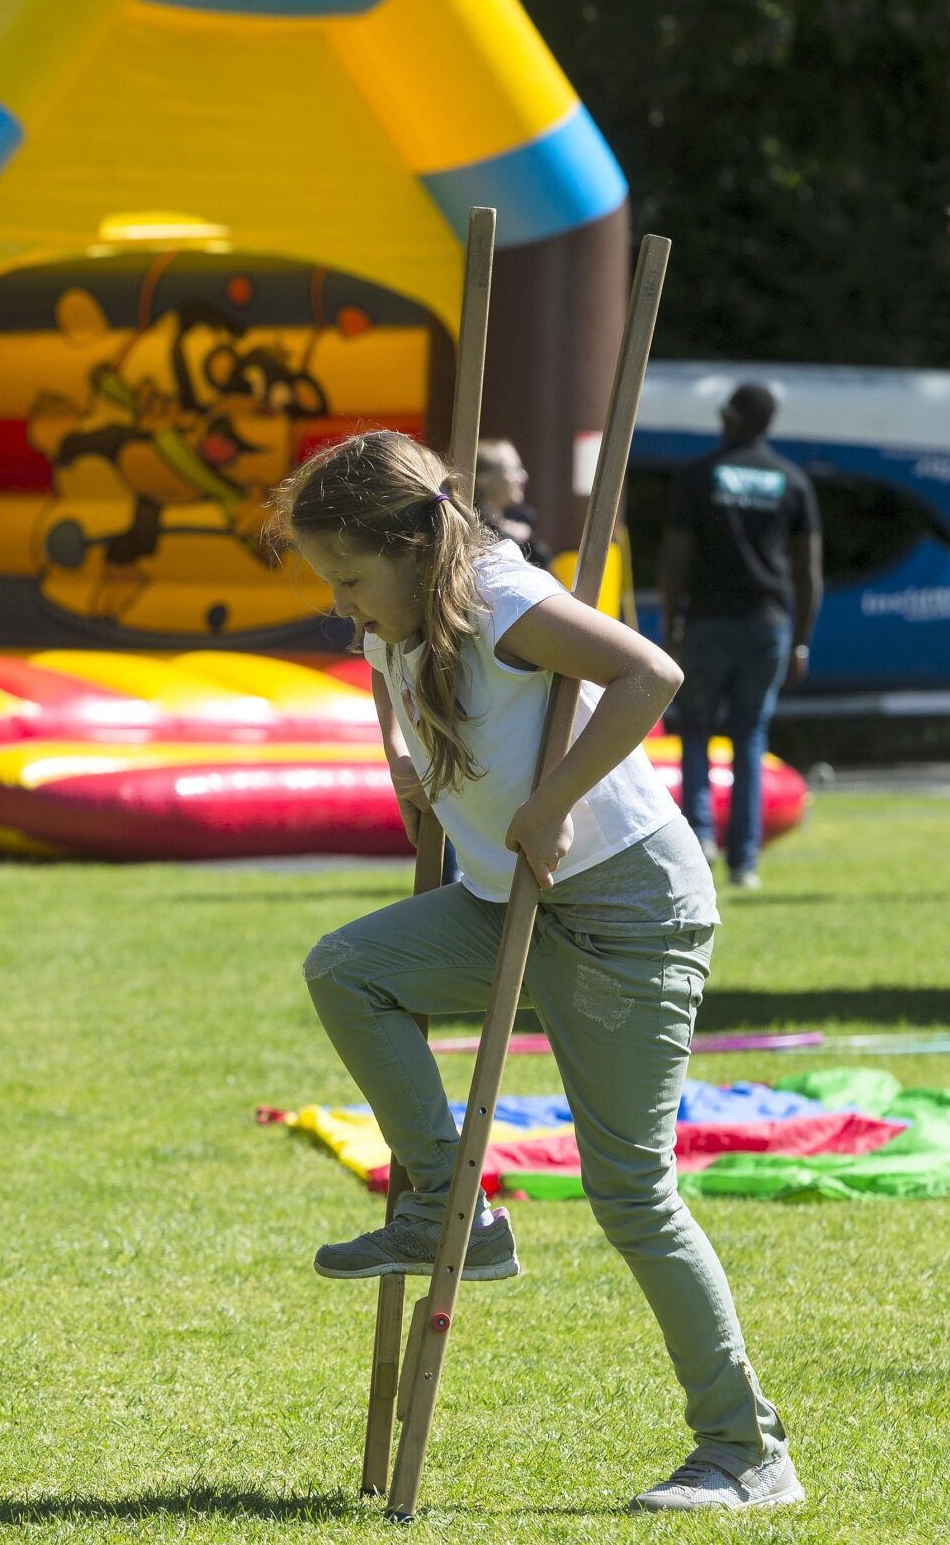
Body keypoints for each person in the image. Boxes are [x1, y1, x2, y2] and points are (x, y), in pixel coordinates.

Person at [280, 430, 799, 1514]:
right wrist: (409, 769)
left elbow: (647, 671)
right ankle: (449, 1208)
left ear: (411, 547)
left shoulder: (502, 591)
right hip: (502, 901)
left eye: (350, 578)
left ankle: (747, 1450)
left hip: (624, 908)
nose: (340, 603)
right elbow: (422, 743)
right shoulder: (395, 627)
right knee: (349, 968)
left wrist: (554, 796)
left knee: (629, 1189)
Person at [654, 381, 821, 894]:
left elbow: (675, 558)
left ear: (729, 418)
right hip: (767, 627)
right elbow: (807, 572)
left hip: (707, 623)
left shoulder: (700, 477)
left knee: (697, 732)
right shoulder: (792, 481)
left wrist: (672, 623)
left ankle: (700, 839)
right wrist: (801, 639)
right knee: (750, 737)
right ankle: (745, 861)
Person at [473, 438, 551, 568]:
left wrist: (529, 540)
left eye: (520, 468)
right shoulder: (468, 525)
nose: (523, 476)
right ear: (483, 478)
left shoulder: (523, 519)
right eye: (511, 469)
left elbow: (544, 564)